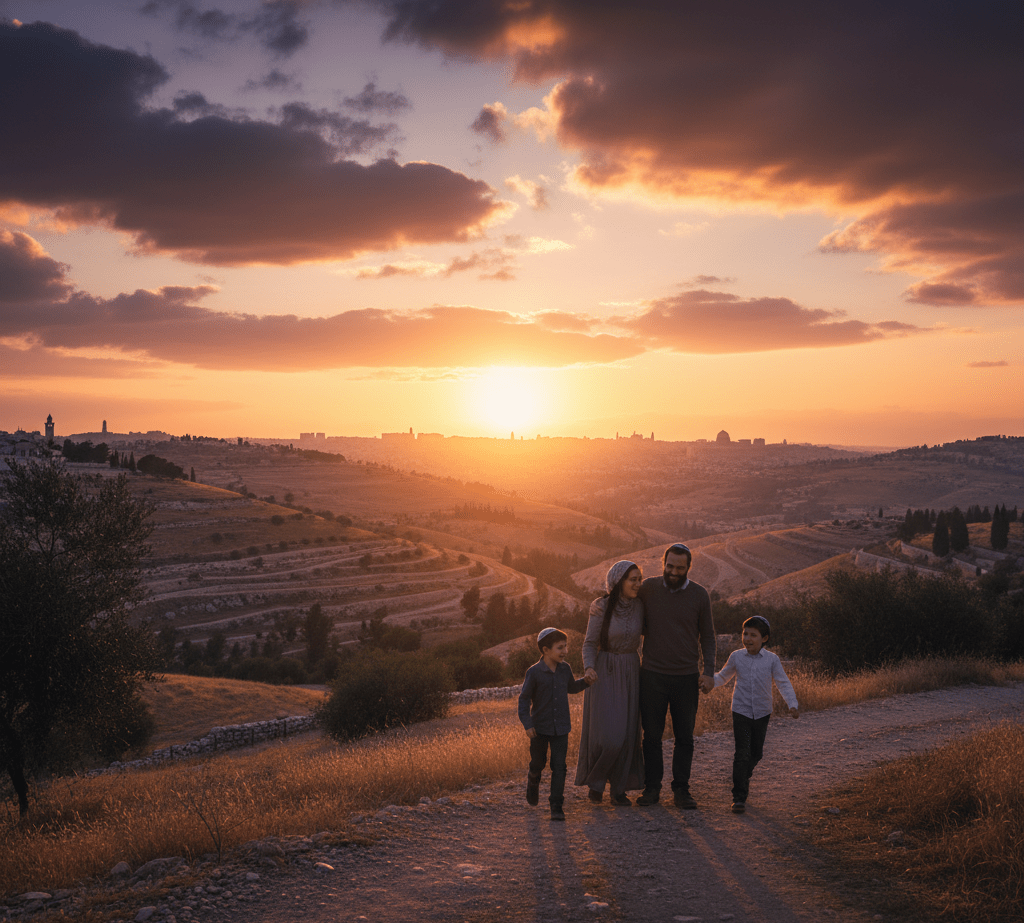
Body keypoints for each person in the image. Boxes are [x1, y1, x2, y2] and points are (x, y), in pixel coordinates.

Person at [637, 542, 715, 808]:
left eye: (679, 568)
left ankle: (681, 790)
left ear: (688, 568)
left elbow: (708, 637)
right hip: (652, 675)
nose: (673, 572)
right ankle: (652, 789)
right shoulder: (647, 588)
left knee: (684, 737)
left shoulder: (700, 595)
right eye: (669, 566)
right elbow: (622, 603)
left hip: (686, 677)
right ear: (663, 563)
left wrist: (709, 672)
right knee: (651, 737)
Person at [574, 560, 645, 805]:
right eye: (632, 579)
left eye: (639, 579)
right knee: (610, 736)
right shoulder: (601, 606)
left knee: (627, 735)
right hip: (604, 671)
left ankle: (618, 790)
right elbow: (590, 642)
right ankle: (596, 781)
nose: (637, 584)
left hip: (631, 670)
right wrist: (589, 667)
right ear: (618, 582)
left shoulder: (640, 607)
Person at [712, 615, 799, 813]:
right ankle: (739, 796)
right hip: (740, 710)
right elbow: (724, 676)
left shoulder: (772, 660)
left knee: (756, 753)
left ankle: (742, 775)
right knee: (742, 753)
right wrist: (709, 682)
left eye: (753, 635)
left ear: (764, 639)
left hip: (762, 712)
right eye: (745, 634)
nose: (747, 638)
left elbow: (782, 682)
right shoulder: (736, 656)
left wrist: (792, 704)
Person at [518, 627, 593, 820]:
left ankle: (556, 806)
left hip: (561, 727)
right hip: (539, 729)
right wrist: (527, 724)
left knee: (559, 766)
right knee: (538, 763)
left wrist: (586, 682)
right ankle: (533, 780)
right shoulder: (534, 672)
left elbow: (572, 688)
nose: (565, 651)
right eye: (560, 647)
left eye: (566, 646)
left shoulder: (565, 669)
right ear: (545, 650)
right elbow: (524, 699)